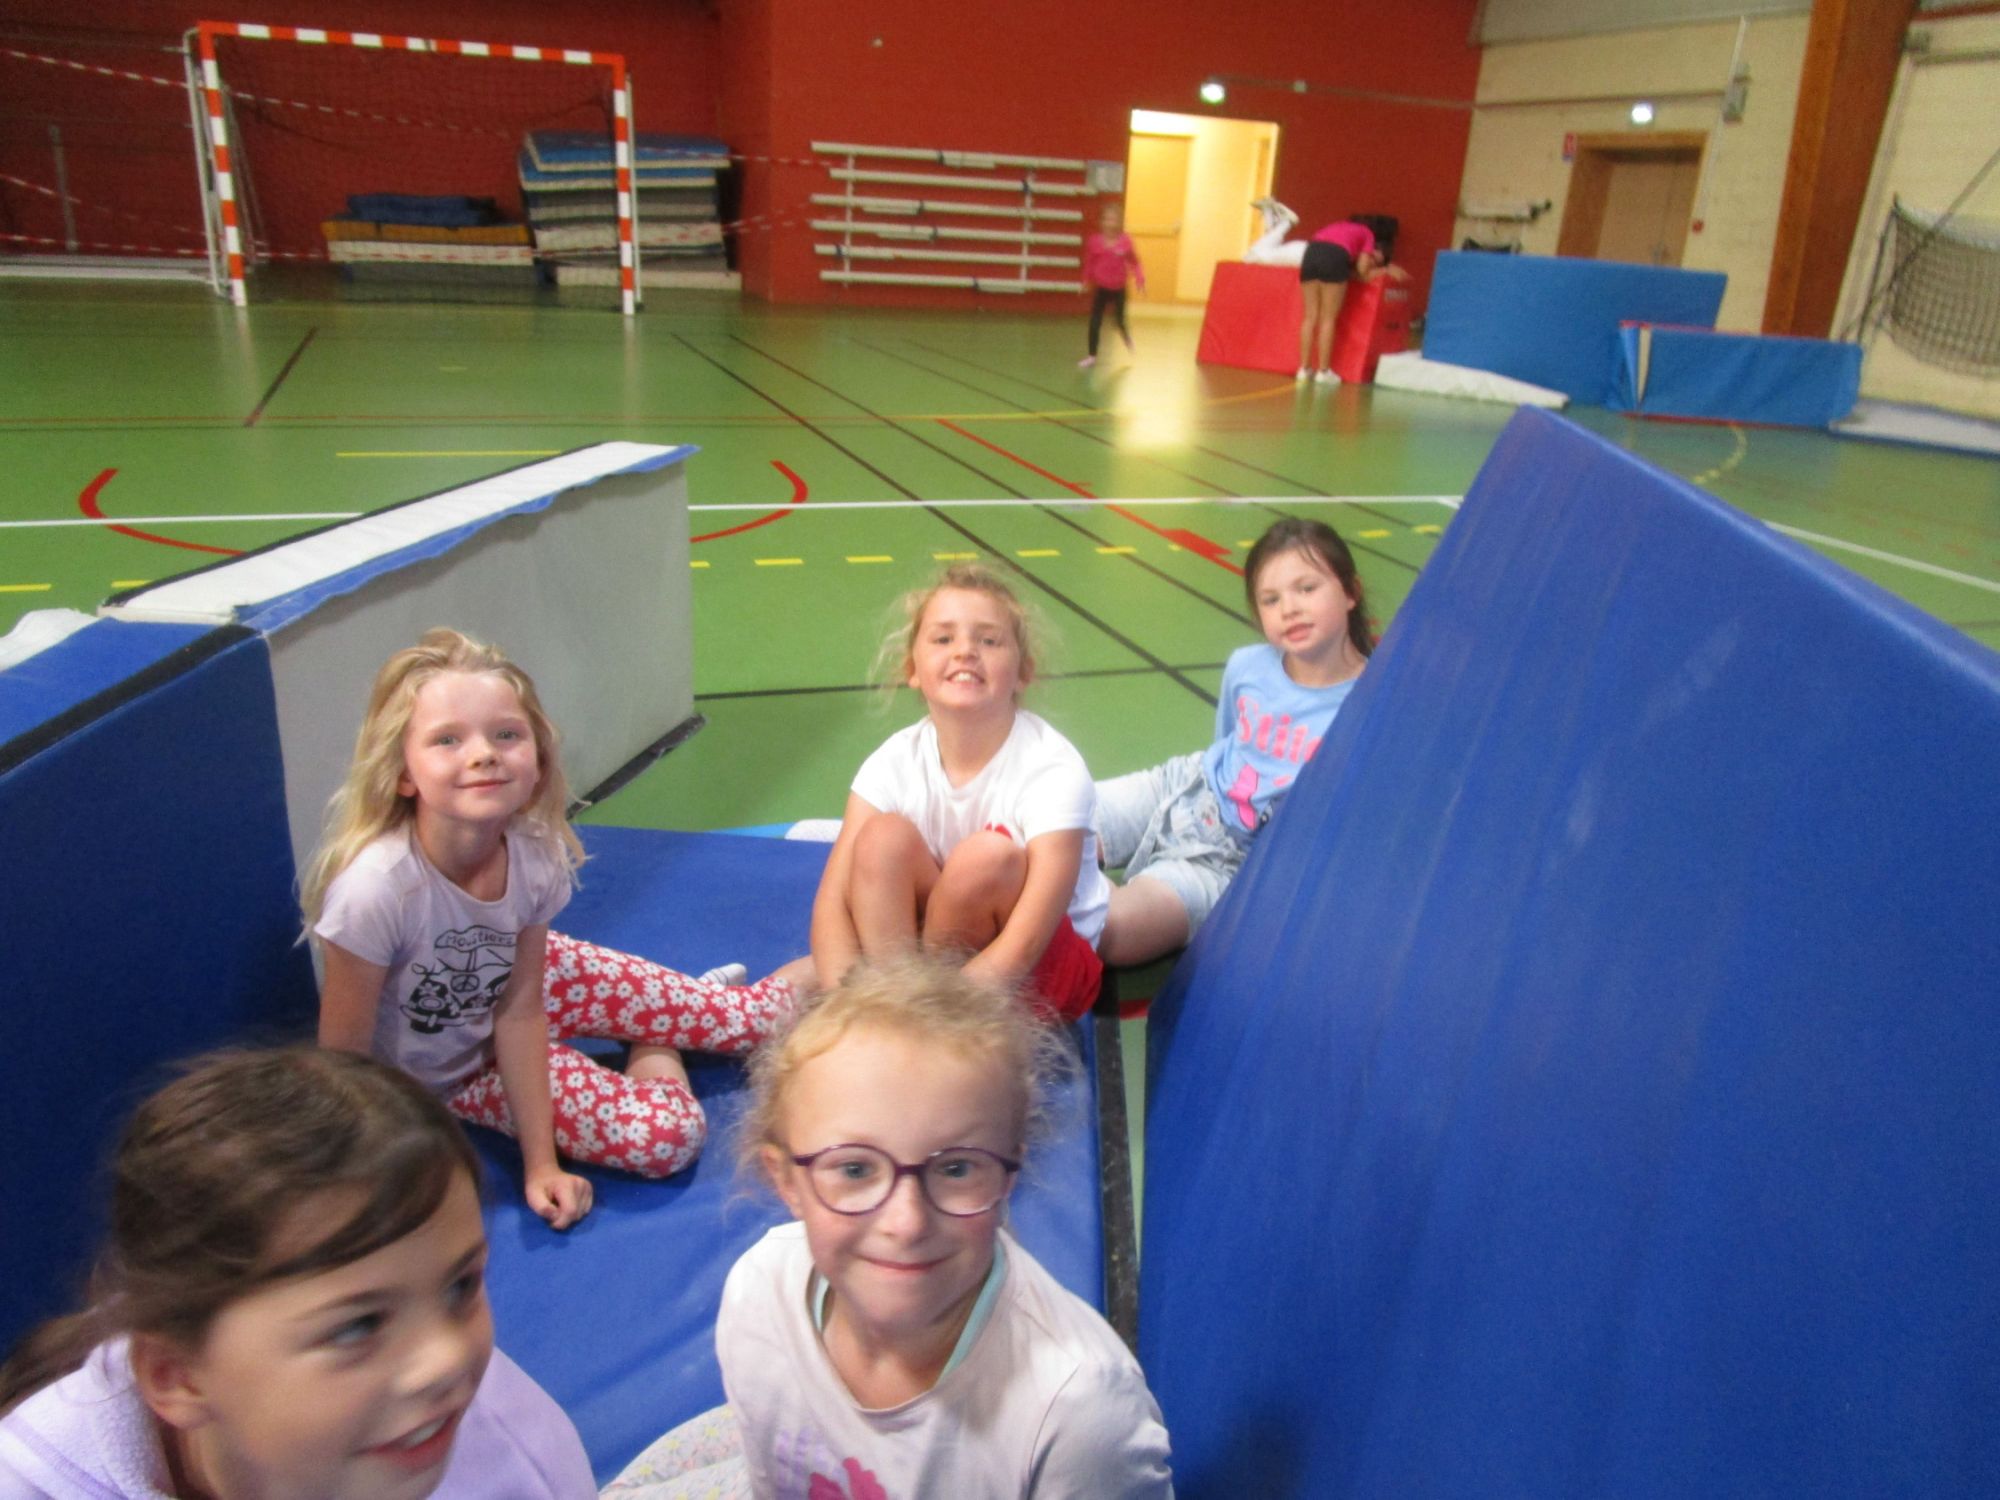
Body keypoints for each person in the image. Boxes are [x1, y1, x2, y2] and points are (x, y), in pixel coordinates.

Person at [605, 955, 1174, 1498]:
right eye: (855, 1169)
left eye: (956, 1168)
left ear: (1008, 1176)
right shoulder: (760, 1300)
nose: (906, 1223)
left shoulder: (1077, 1419)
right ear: (786, 1180)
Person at [303, 627, 809, 1232]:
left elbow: (520, 1010)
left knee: (754, 1020)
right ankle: (656, 1043)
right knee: (663, 1139)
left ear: (538, 757)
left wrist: (541, 1160)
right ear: (403, 772)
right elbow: (345, 1067)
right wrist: (533, 1166)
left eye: (506, 734)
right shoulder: (376, 891)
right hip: (458, 1070)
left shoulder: (532, 851)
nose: (483, 754)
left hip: (537, 984)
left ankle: (869, 962)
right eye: (447, 740)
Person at [0, 1046, 596, 1500]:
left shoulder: (503, 1448)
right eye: (358, 1326)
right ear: (177, 1377)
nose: (448, 1359)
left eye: (460, 1286)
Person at [810, 565, 1109, 1021]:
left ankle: (912, 1016)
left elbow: (1028, 939)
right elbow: (832, 903)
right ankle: (892, 1000)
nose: (965, 650)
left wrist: (933, 1022)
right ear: (912, 670)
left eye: (988, 640)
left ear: (1023, 673)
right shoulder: (892, 762)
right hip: (938, 953)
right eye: (943, 638)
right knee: (882, 839)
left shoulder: (1052, 768)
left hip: (1042, 966)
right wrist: (847, 1008)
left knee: (986, 859)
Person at [1094, 518, 1374, 966]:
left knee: (1113, 932)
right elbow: (1226, 745)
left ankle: (1065, 897)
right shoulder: (1247, 667)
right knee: (1045, 823)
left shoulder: (1372, 703)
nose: (1289, 608)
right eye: (1271, 599)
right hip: (1185, 789)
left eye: (1307, 588)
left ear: (1350, 592)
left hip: (1232, 866)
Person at [1297, 216, 1411, 384]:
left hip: (1310, 255)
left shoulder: (1335, 226)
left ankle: (1304, 369)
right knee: (1328, 319)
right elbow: (1363, 273)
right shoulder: (1367, 234)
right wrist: (1384, 270)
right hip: (1334, 259)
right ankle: (1324, 371)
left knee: (1310, 317)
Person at [1079, 201, 1144, 369]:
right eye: (1107, 219)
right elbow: (1089, 262)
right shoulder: (1094, 242)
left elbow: (1135, 262)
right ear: (1102, 222)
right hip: (1102, 288)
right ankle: (1092, 356)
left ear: (1120, 222)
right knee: (1095, 322)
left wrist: (1139, 278)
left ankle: (1126, 336)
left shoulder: (1125, 242)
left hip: (1119, 288)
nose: (1110, 223)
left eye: (1114, 220)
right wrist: (1085, 280)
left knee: (1119, 321)